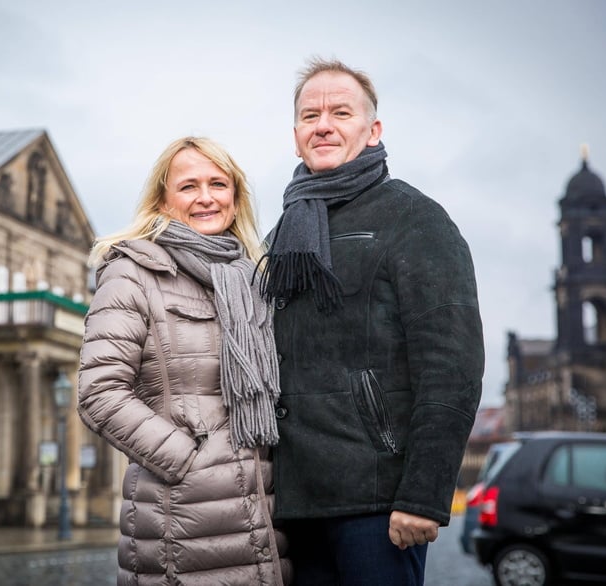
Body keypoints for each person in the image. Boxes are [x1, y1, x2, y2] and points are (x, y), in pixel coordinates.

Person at [259, 58, 484, 585]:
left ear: (372, 129)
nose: (324, 124)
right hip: (296, 505)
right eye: (310, 115)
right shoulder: (283, 234)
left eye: (341, 111)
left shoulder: (415, 219)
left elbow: (451, 367)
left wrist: (424, 496)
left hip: (379, 505)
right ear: (296, 137)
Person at [77, 136, 292, 585]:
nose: (206, 197)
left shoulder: (251, 278)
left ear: (235, 199)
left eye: (218, 184)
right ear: (163, 199)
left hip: (264, 515)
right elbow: (99, 391)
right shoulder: (132, 272)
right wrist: (187, 460)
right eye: (189, 186)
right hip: (180, 517)